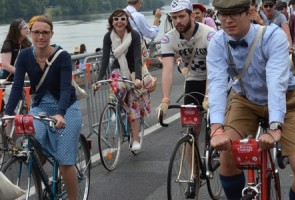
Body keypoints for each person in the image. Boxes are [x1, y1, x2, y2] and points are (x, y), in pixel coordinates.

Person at [207, 0, 295, 200]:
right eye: (223, 15)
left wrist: (275, 126)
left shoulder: (272, 36)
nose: (227, 20)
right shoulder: (217, 41)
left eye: (234, 13)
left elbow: (276, 81)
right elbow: (216, 83)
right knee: (226, 155)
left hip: (285, 102)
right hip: (245, 101)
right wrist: (216, 128)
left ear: (249, 12)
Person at [4, 15, 81, 200]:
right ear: (30, 34)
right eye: (36, 32)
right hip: (40, 107)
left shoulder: (62, 56)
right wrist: (7, 114)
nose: (41, 36)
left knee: (64, 162)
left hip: (67, 107)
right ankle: (46, 182)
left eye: (45, 32)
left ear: (51, 34)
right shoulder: (24, 55)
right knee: (33, 141)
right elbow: (17, 86)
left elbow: (65, 88)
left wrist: (61, 113)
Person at [158, 0, 216, 137]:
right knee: (190, 126)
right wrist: (165, 99)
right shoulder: (168, 38)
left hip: (214, 77)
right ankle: (191, 156)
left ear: (192, 16)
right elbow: (167, 71)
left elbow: (213, 69)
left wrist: (207, 96)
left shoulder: (209, 34)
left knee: (214, 125)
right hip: (194, 77)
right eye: (174, 17)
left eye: (182, 16)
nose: (178, 21)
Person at [94, 9, 148, 151]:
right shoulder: (108, 37)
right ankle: (116, 109)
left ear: (127, 21)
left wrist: (137, 79)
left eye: (122, 19)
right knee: (118, 85)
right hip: (118, 67)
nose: (119, 22)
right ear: (112, 21)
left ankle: (135, 140)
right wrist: (98, 81)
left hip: (133, 69)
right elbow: (105, 59)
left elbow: (137, 58)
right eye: (116, 19)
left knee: (133, 105)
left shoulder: (134, 35)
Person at [277, 1, 295, 76]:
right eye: (278, 10)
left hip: (294, 43)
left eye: (282, 9)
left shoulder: (294, 17)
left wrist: (294, 46)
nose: (280, 11)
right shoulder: (277, 19)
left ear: (286, 8)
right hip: (281, 45)